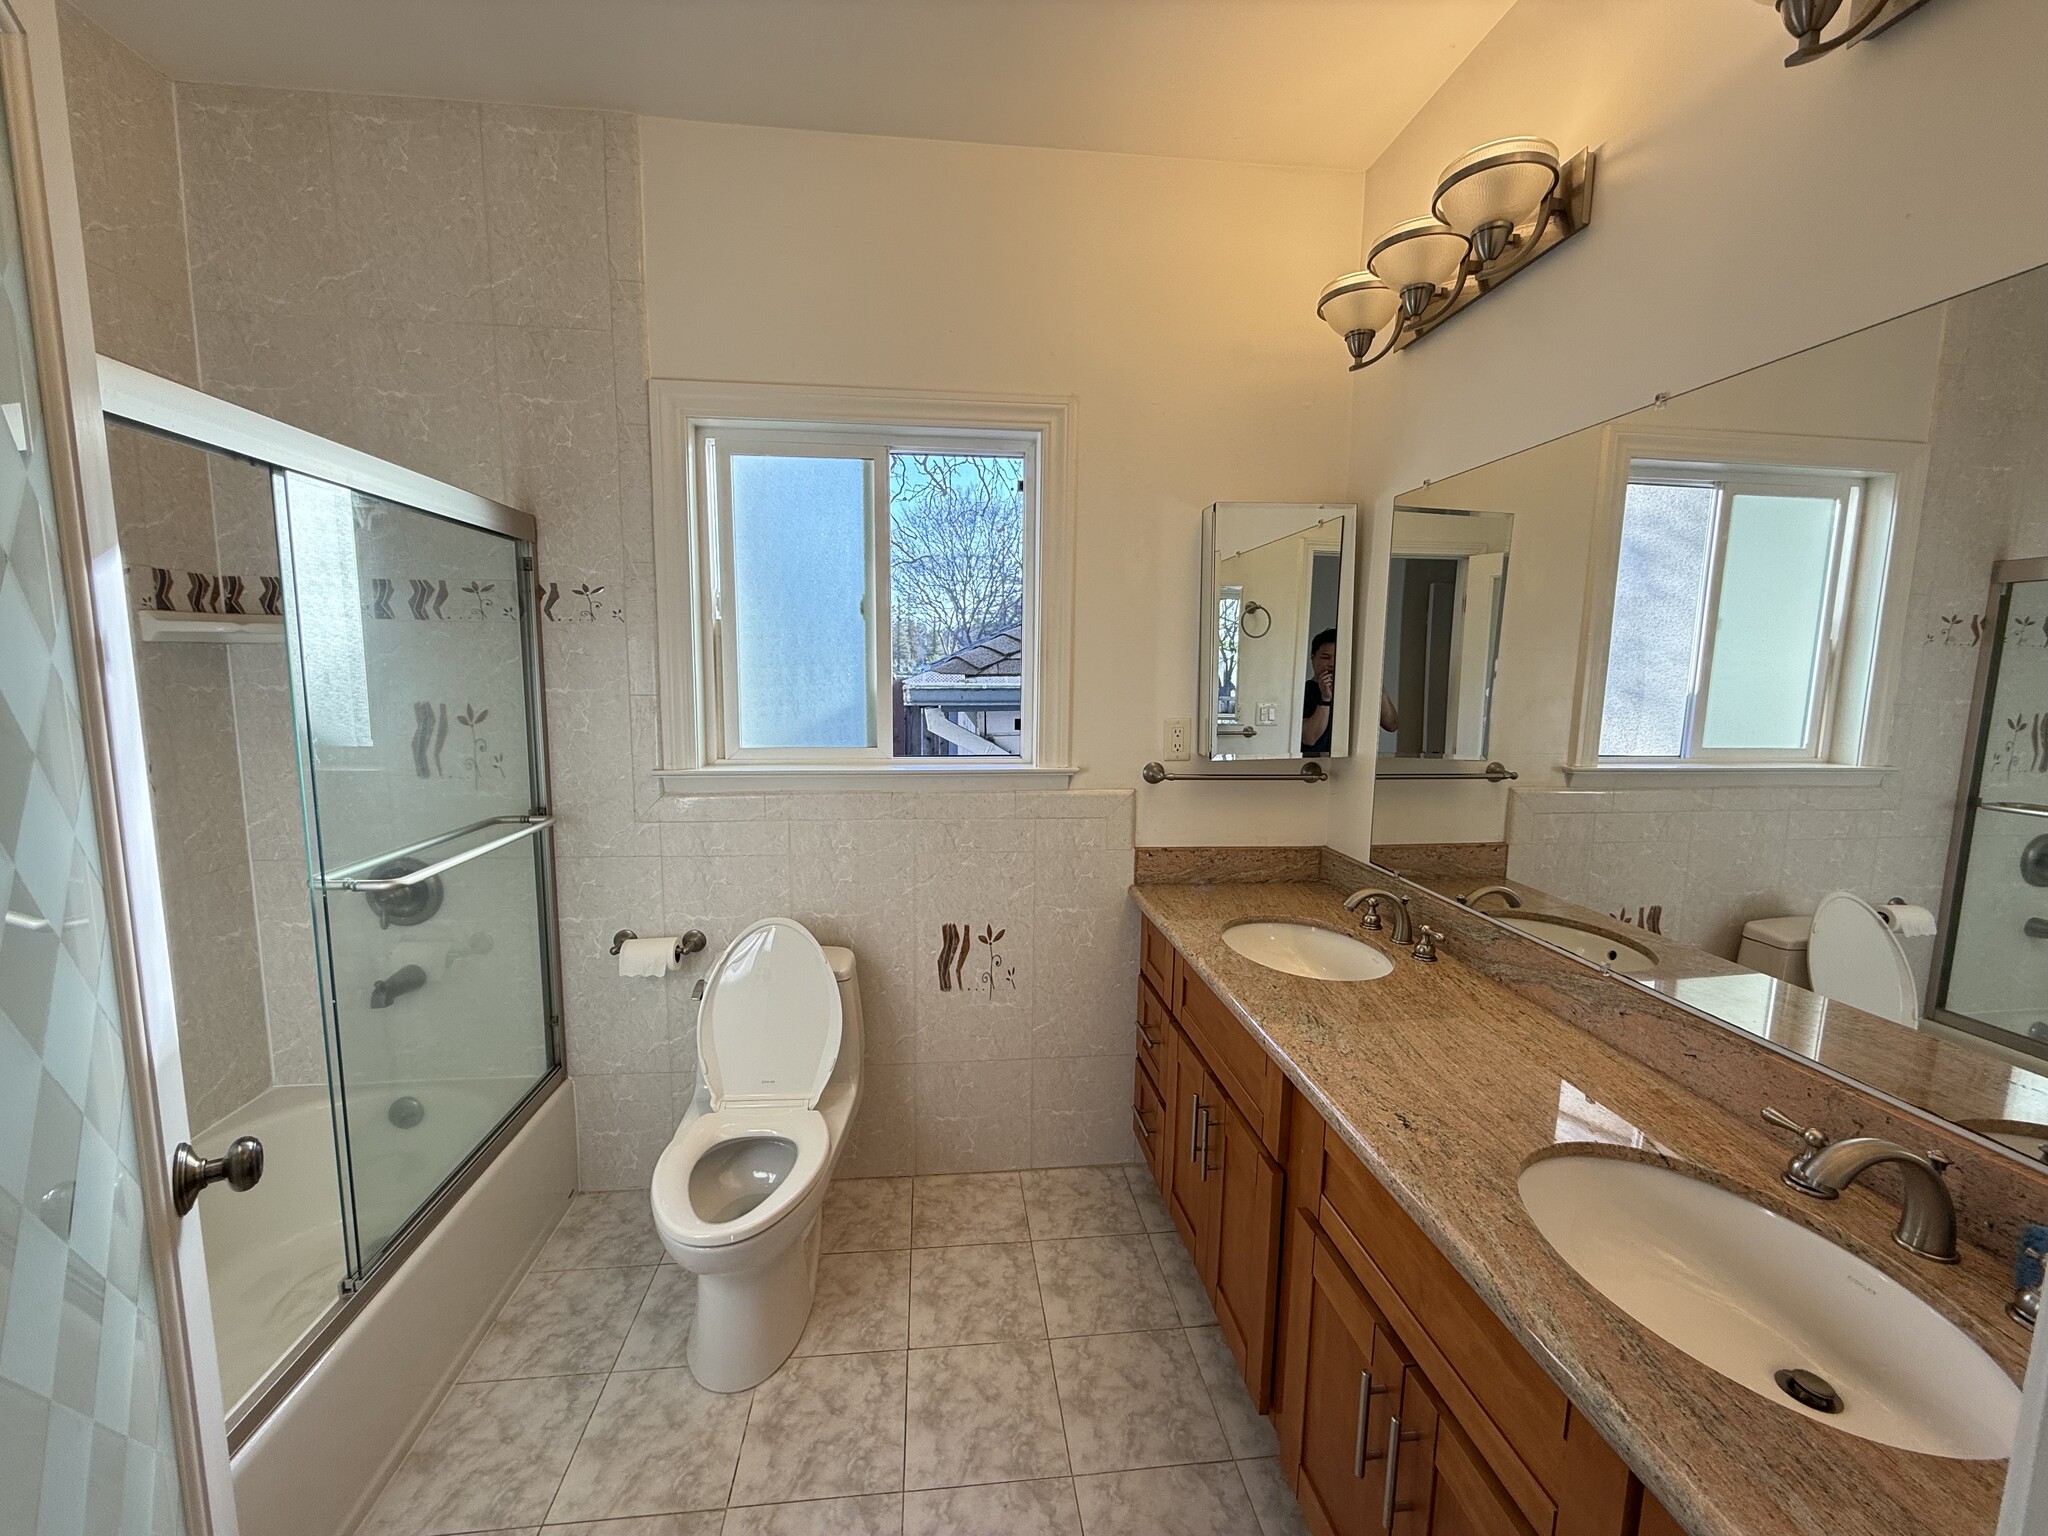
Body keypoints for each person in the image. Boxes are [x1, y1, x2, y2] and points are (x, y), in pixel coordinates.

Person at [1302, 629, 1338, 756]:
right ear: (1313, 658)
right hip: (1312, 765)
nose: (1332, 664)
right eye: (1325, 657)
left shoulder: (1352, 694)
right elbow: (1309, 738)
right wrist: (1326, 699)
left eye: (1338, 657)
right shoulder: (1303, 692)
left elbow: (1391, 725)